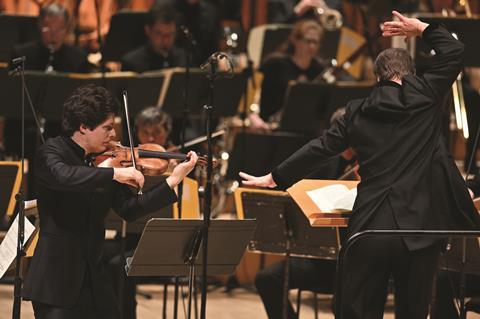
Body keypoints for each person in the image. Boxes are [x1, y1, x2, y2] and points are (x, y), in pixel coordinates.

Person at [240, 11, 480, 319]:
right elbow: (455, 51)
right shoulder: (427, 95)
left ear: (378, 77)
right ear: (412, 75)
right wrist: (420, 28)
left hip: (370, 230)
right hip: (420, 233)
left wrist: (275, 177)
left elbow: (319, 148)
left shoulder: (356, 112)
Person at [22, 84, 198, 319]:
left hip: (95, 278)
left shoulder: (107, 163)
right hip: (56, 280)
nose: (114, 135)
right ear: (83, 127)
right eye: (107, 128)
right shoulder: (52, 152)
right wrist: (113, 173)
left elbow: (129, 209)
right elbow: (64, 176)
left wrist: (173, 181)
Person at [249, 19, 325, 131]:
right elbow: (252, 89)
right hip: (269, 127)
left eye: (316, 42)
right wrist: (253, 116)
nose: (312, 47)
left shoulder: (320, 69)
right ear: (295, 40)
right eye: (308, 41)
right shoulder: (274, 64)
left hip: (307, 131)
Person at [9, 3, 92, 73]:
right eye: (48, 28)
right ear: (39, 25)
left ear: (67, 28)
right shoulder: (20, 57)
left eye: (60, 29)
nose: (53, 34)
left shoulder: (79, 60)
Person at [121, 3, 186, 73]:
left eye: (170, 34)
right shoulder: (132, 63)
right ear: (148, 30)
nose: (165, 41)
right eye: (159, 34)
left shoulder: (183, 59)